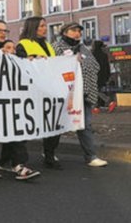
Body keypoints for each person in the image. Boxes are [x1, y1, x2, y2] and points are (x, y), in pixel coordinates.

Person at [0, 20, 40, 181]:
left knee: (17, 129)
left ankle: (17, 164)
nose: (2, 33)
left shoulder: (14, 55)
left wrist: (33, 60)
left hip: (12, 100)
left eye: (5, 31)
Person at [52, 22, 108, 167]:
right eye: (74, 30)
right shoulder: (57, 47)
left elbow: (94, 65)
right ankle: (49, 153)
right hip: (66, 94)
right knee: (57, 125)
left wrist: (81, 63)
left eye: (79, 31)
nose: (77, 33)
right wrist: (72, 63)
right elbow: (55, 67)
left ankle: (91, 156)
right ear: (64, 32)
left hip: (84, 93)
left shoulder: (83, 48)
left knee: (86, 125)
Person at [16, 16, 62, 169]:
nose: (44, 28)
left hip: (49, 90)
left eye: (45, 25)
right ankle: (18, 159)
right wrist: (33, 58)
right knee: (28, 124)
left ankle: (49, 154)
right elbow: (19, 64)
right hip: (32, 92)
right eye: (41, 26)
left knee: (54, 125)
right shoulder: (23, 44)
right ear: (33, 27)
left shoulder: (48, 45)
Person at [92, 40, 115, 112]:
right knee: (97, 90)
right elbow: (107, 67)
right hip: (103, 76)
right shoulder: (104, 55)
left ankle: (109, 101)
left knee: (94, 91)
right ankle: (96, 107)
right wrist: (108, 76)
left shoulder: (92, 55)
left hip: (95, 76)